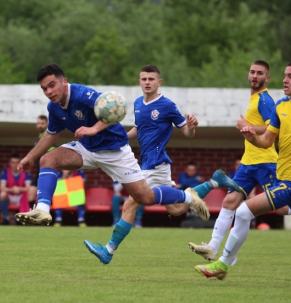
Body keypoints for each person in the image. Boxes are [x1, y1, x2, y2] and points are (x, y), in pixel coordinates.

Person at [15, 63, 210, 238]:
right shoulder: (54, 107)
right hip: (87, 148)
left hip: (115, 151)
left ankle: (187, 196)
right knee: (47, 160)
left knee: (146, 197)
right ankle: (42, 209)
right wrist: (30, 157)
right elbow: (51, 134)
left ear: (63, 82)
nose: (49, 91)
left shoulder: (83, 95)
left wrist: (92, 129)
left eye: (52, 85)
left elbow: (116, 109)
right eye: (44, 89)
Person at [84, 64, 238, 263]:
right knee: (176, 209)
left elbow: (186, 133)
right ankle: (214, 182)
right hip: (151, 164)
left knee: (131, 203)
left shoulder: (167, 105)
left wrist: (191, 127)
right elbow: (137, 131)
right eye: (144, 79)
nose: (147, 82)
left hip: (156, 164)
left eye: (151, 79)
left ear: (159, 82)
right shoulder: (138, 103)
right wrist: (115, 137)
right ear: (139, 81)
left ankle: (108, 251)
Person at [194, 60, 291, 280]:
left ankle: (222, 265)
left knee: (243, 211)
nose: (285, 79)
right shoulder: (281, 106)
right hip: (285, 179)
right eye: (284, 75)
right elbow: (266, 140)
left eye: (290, 76)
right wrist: (252, 137)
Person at [189, 60, 281, 261]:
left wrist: (247, 126)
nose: (255, 76)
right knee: (230, 201)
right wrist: (248, 127)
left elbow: (272, 128)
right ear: (248, 75)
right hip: (248, 162)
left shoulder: (265, 100)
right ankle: (212, 246)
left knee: (282, 207)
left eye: (260, 73)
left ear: (267, 78)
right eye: (252, 72)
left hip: (266, 162)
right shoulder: (253, 98)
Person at [27, 115, 55, 208]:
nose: (40, 125)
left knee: (47, 199)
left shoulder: (47, 136)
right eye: (38, 123)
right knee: (30, 196)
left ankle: (46, 219)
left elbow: (52, 151)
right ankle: (35, 218)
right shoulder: (40, 136)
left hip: (46, 171)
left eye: (42, 123)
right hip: (38, 172)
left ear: (47, 124)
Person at [0, 153, 31, 225]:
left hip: (22, 196)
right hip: (10, 196)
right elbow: (2, 188)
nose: (15, 165)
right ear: (9, 163)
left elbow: (29, 188)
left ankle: (26, 219)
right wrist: (13, 189)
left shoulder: (25, 172)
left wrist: (18, 189)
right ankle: (6, 218)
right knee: (2, 194)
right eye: (13, 162)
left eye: (17, 162)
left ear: (20, 163)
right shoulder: (5, 171)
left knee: (30, 194)